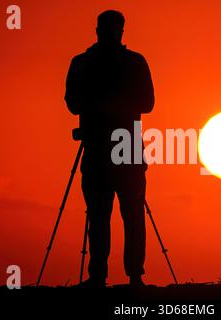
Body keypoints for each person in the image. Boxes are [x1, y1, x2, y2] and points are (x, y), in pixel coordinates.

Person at [65, 10, 154, 288]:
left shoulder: (125, 62)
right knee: (102, 214)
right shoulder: (85, 63)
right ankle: (102, 275)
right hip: (104, 148)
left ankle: (132, 275)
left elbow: (148, 103)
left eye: (113, 28)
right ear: (99, 30)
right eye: (107, 28)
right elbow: (72, 103)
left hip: (121, 148)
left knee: (129, 212)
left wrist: (101, 105)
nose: (110, 33)